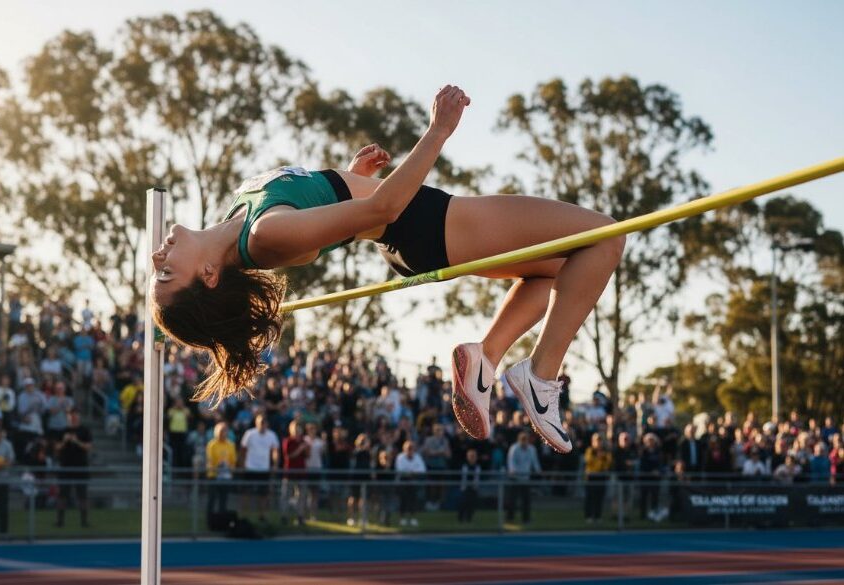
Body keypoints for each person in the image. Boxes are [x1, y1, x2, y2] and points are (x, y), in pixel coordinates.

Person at [149, 85, 625, 457]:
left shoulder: (246, 221)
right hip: (432, 223)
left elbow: (319, 238)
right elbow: (383, 207)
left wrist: (351, 177)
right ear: (210, 275)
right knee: (604, 236)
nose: (157, 260)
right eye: (167, 276)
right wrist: (438, 129)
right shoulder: (262, 237)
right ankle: (541, 377)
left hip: (415, 233)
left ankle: (487, 358)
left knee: (567, 270)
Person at [55, 409, 92, 528]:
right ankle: (60, 521)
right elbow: (57, 448)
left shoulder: (84, 430)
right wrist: (65, 441)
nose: (73, 417)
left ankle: (84, 521)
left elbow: (88, 447)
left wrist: (77, 441)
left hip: (81, 467)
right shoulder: (63, 431)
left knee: (82, 496)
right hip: (65, 467)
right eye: (71, 415)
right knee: (62, 496)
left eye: (75, 415)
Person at [506, 431, 541, 524]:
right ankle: (510, 518)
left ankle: (526, 519)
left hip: (526, 478)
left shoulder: (532, 449)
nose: (524, 442)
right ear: (519, 440)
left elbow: (535, 461)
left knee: (526, 500)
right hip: (515, 478)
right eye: (522, 440)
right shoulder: (514, 448)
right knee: (512, 500)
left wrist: (538, 470)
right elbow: (511, 461)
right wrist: (512, 470)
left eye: (526, 440)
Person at [205, 421, 236, 522]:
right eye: (220, 431)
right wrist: (218, 464)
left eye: (224, 431)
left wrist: (229, 467)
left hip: (225, 477)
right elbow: (210, 460)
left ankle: (221, 521)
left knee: (224, 500)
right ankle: (210, 520)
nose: (222, 433)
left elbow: (233, 461)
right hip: (213, 476)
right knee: (212, 499)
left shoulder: (230, 445)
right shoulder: (211, 444)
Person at [394, 440, 426, 527]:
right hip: (403, 482)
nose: (410, 450)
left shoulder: (417, 457)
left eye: (412, 449)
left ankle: (413, 518)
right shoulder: (400, 457)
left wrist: (411, 473)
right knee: (403, 501)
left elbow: (422, 470)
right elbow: (400, 470)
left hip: (414, 482)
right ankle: (402, 518)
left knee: (413, 501)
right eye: (408, 449)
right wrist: (412, 472)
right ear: (404, 449)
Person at [583, 434, 612, 523]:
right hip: (591, 477)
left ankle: (598, 516)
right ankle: (589, 516)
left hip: (601, 476)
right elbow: (588, 461)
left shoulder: (605, 452)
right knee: (590, 497)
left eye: (600, 441)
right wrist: (598, 458)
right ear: (593, 442)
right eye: (597, 441)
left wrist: (600, 458)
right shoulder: (590, 450)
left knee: (599, 498)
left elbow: (608, 463)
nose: (598, 443)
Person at [457, 448, 481, 523]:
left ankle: (469, 518)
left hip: (474, 488)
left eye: (474, 456)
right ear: (467, 457)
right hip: (465, 488)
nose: (472, 458)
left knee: (472, 504)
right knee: (463, 503)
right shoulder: (464, 466)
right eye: (470, 456)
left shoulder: (478, 467)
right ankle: (460, 518)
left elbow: (477, 477)